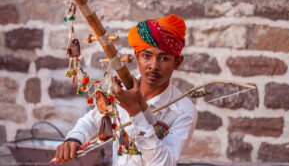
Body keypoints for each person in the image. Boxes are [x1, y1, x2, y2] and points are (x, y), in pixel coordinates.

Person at [55, 14, 197, 166]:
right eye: (147, 56)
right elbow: (92, 120)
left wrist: (135, 112)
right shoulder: (119, 90)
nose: (154, 65)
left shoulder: (183, 110)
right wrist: (74, 138)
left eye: (164, 58)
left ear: (178, 62)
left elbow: (164, 163)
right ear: (137, 57)